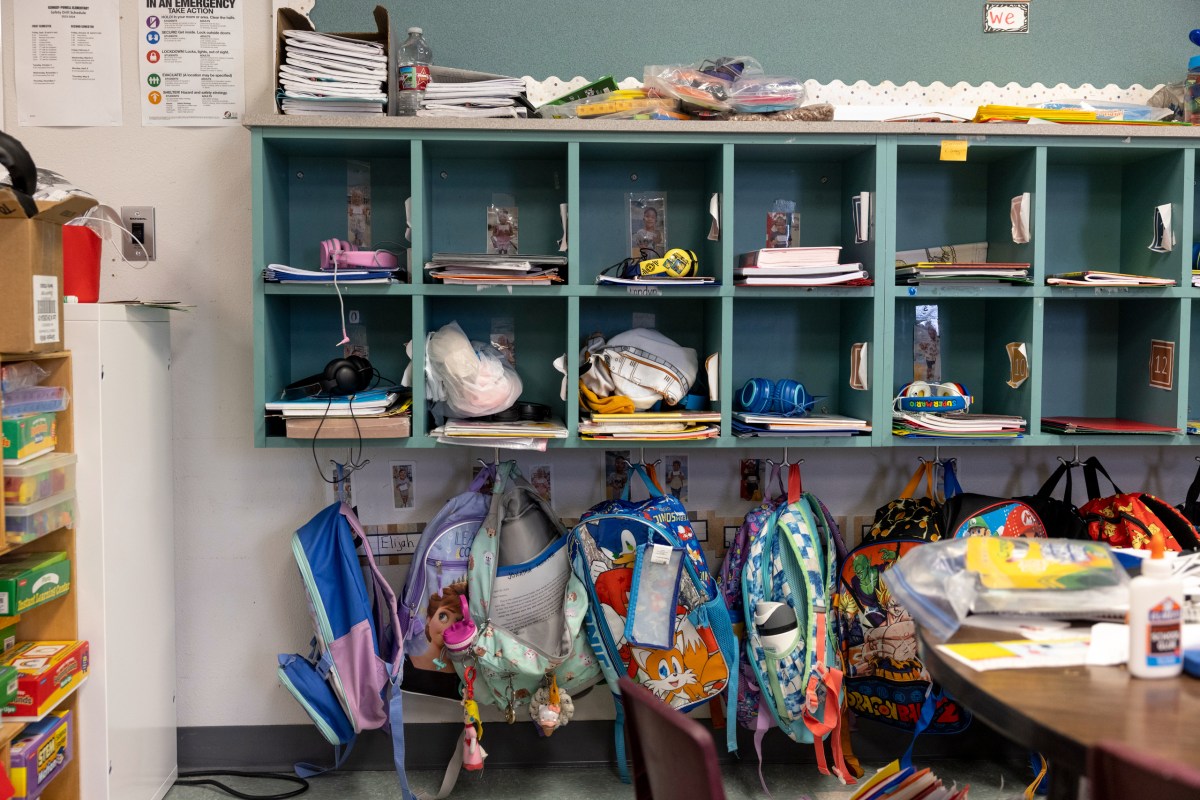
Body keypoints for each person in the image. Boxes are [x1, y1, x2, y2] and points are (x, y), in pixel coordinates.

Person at [408, 582, 466, 673]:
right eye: (442, 616)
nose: (448, 627)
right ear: (429, 619)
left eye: (458, 622)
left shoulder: (463, 672)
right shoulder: (408, 662)